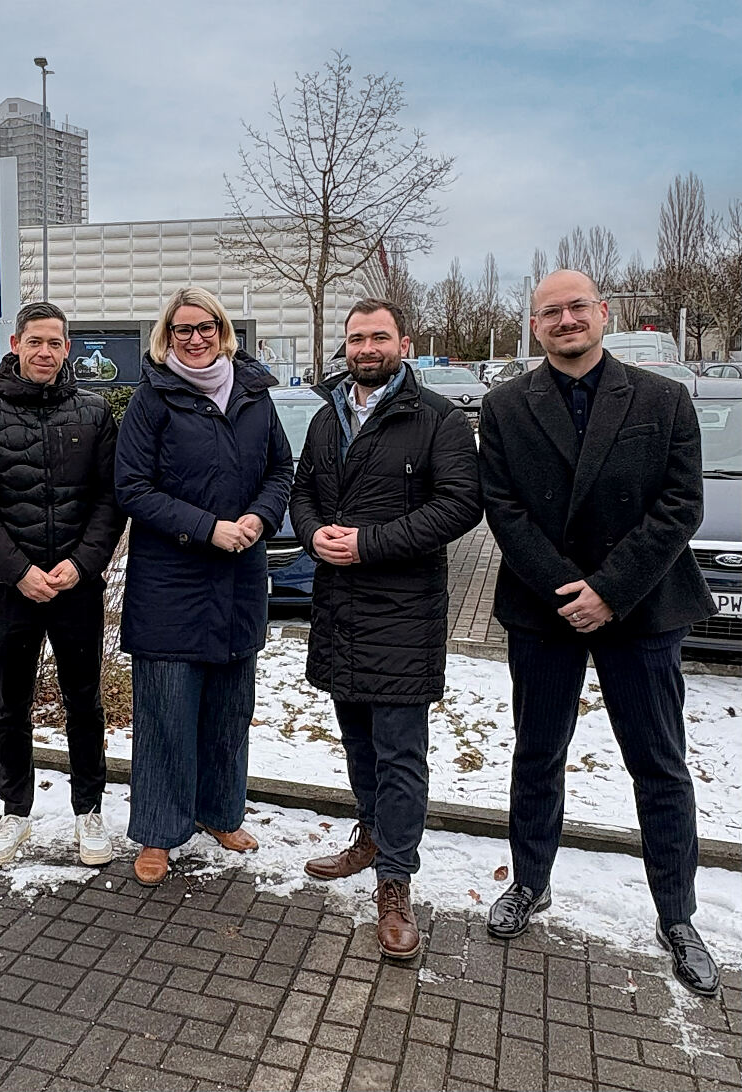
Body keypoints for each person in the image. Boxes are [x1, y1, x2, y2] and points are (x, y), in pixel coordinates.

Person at [479, 270, 719, 997]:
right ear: (533, 326)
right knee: (537, 753)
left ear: (602, 314)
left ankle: (676, 915)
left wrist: (608, 592)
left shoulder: (662, 398)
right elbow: (503, 507)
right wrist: (568, 592)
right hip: (545, 609)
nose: (564, 320)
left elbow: (679, 506)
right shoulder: (503, 406)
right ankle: (530, 881)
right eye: (548, 312)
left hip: (640, 609)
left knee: (659, 764)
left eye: (576, 306)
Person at [290, 298, 481, 959]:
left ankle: (394, 882)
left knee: (401, 753)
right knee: (359, 745)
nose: (365, 348)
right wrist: (314, 535)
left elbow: (459, 505)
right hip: (339, 609)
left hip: (401, 612)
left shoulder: (437, 420)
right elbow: (303, 493)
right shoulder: (325, 417)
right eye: (355, 338)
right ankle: (370, 837)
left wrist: (367, 543)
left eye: (377, 336)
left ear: (403, 341)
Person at [115, 286, 294, 886]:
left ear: (224, 331)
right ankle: (159, 833)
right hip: (171, 583)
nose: (197, 338)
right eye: (184, 328)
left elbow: (280, 470)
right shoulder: (151, 400)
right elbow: (132, 488)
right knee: (166, 713)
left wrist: (259, 519)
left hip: (239, 577)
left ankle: (220, 812)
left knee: (228, 709)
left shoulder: (254, 396)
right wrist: (207, 528)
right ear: (167, 336)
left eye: (207, 327)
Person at [0, 301, 126, 869]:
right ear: (16, 346)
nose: (45, 352)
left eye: (55, 343)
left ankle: (88, 811)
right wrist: (18, 571)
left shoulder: (95, 415)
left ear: (67, 348)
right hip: (10, 589)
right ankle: (14, 811)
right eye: (35, 342)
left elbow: (110, 498)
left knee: (83, 702)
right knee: (12, 705)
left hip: (76, 586)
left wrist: (83, 564)